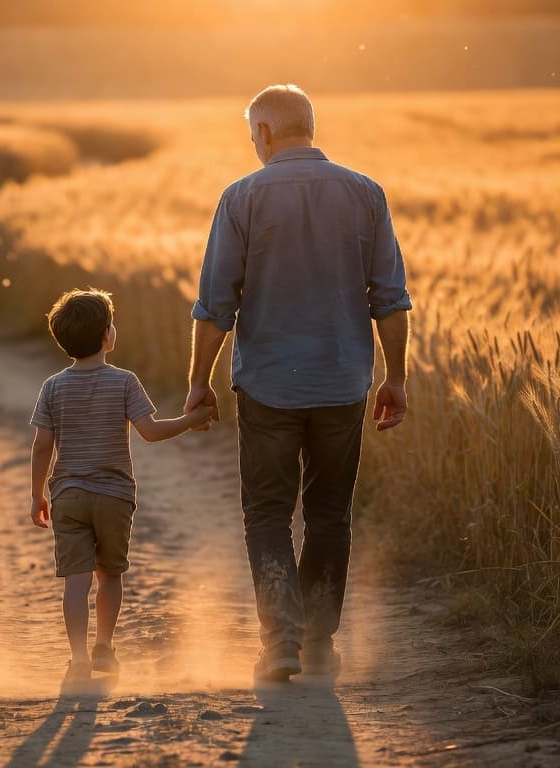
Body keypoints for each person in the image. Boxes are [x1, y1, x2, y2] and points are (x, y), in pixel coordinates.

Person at [185, 84, 413, 682]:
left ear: (263, 133)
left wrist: (198, 383)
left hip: (266, 387)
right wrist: (397, 377)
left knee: (266, 513)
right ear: (309, 126)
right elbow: (389, 299)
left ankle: (280, 643)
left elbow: (215, 306)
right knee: (330, 514)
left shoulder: (241, 198)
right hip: (342, 383)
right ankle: (319, 643)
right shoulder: (367, 194)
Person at [29, 288, 214, 682]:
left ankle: (78, 658)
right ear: (107, 337)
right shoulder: (125, 381)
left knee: (75, 581)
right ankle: (104, 649)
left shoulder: (52, 387)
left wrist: (36, 495)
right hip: (114, 496)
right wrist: (192, 419)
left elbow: (42, 444)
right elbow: (150, 431)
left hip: (68, 495)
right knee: (109, 574)